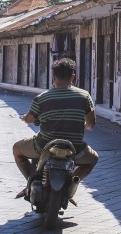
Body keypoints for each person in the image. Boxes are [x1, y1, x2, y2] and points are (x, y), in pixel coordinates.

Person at [13, 57, 99, 197]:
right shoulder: (84, 96)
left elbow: (29, 119)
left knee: (16, 149)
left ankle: (31, 180)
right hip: (75, 148)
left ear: (54, 77)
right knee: (93, 159)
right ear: (73, 77)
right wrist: (81, 125)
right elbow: (91, 123)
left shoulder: (42, 97)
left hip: (43, 145)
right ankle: (71, 183)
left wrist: (24, 117)